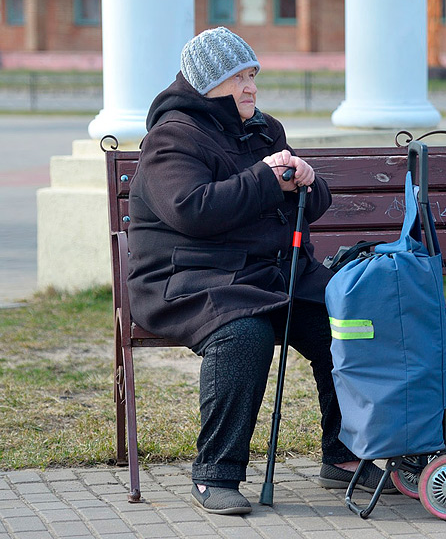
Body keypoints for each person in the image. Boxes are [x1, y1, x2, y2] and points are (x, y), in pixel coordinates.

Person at [126, 27, 394, 516]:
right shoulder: (172, 137)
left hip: (268, 276)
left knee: (348, 321)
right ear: (207, 84)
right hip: (188, 280)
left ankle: (345, 453)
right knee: (244, 336)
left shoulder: (265, 128)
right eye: (237, 78)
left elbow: (299, 206)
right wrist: (267, 180)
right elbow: (191, 210)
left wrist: (309, 184)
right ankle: (215, 474)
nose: (250, 87)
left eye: (252, 75)